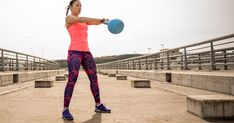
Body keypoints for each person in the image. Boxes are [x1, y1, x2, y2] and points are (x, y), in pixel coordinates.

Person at [62, 0, 111, 121]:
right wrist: (99, 19)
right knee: (72, 79)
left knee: (94, 78)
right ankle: (65, 110)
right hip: (74, 52)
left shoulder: (84, 21)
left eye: (81, 6)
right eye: (77, 5)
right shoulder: (69, 18)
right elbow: (82, 19)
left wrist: (103, 21)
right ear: (71, 7)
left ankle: (98, 105)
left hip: (86, 52)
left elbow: (93, 22)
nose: (80, 8)